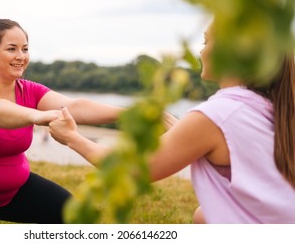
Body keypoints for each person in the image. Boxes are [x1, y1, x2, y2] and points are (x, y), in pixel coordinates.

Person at [49, 22, 295, 223]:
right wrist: (184, 131)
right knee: (202, 217)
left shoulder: (218, 113)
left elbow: (133, 171)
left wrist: (72, 137)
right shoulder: (269, 104)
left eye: (206, 42)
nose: (200, 51)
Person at [0, 18, 125, 224]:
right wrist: (38, 115)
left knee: (72, 215)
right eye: (12, 49)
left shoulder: (30, 90)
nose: (20, 56)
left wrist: (131, 114)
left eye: (25, 49)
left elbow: (74, 107)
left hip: (9, 192)